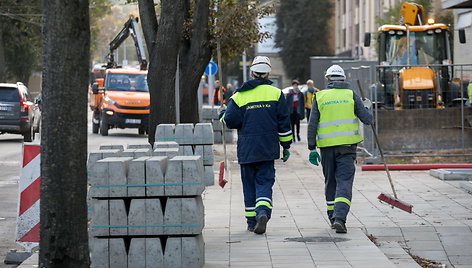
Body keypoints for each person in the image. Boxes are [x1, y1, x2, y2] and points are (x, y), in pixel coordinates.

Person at [221, 56, 292, 235]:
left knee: (249, 184)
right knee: (265, 181)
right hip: (268, 148)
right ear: (267, 74)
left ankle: (252, 222)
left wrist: (223, 114)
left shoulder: (239, 95)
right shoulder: (276, 94)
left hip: (246, 149)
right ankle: (263, 213)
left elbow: (230, 121)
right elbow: (284, 123)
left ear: (252, 73)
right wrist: (286, 146)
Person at [307, 65, 372, 234]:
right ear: (343, 79)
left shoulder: (319, 96)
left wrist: (311, 148)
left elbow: (312, 124)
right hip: (347, 148)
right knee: (344, 182)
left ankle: (332, 217)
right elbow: (367, 120)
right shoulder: (351, 95)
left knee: (330, 182)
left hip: (327, 149)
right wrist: (367, 108)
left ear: (328, 79)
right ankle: (340, 219)